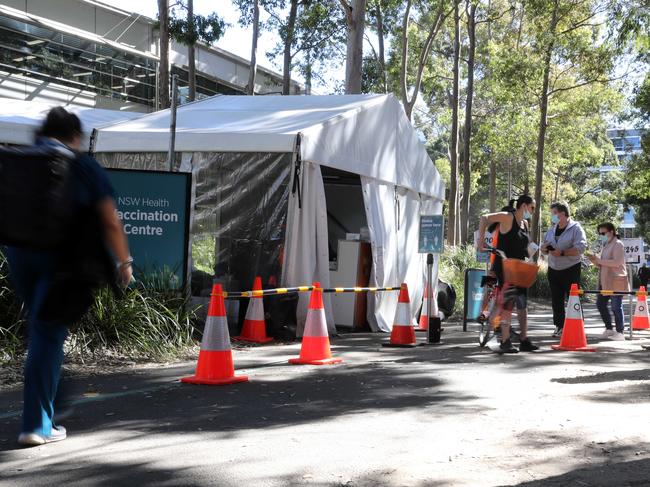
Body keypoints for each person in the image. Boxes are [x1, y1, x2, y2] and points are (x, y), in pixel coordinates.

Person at [5, 107, 133, 447]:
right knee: (48, 334)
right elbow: (109, 221)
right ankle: (37, 425)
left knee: (42, 330)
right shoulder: (82, 165)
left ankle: (54, 402)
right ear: (75, 136)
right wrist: (124, 262)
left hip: (18, 253)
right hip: (61, 259)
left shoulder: (20, 160)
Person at [478, 195, 539, 354]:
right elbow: (484, 218)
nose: (532, 211)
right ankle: (504, 340)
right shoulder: (507, 217)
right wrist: (480, 242)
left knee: (522, 305)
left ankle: (524, 340)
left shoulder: (524, 224)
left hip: (519, 268)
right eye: (532, 208)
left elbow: (527, 247)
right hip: (504, 267)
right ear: (524, 206)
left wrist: (539, 250)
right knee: (507, 303)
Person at [541, 202, 587, 337]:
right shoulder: (551, 229)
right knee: (556, 300)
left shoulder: (576, 228)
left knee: (573, 298)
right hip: (553, 269)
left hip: (571, 269)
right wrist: (543, 249)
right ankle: (559, 326)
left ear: (563, 213)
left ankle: (578, 327)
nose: (552, 216)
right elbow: (544, 246)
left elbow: (581, 247)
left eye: (554, 213)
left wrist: (562, 252)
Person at [587, 223, 629, 341]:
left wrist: (599, 260)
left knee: (616, 306)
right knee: (600, 304)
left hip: (616, 280)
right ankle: (609, 328)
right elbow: (602, 263)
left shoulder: (618, 244)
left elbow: (617, 262)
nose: (601, 235)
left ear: (611, 231)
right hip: (604, 280)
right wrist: (594, 260)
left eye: (603, 233)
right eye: (600, 233)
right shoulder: (606, 245)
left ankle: (620, 332)